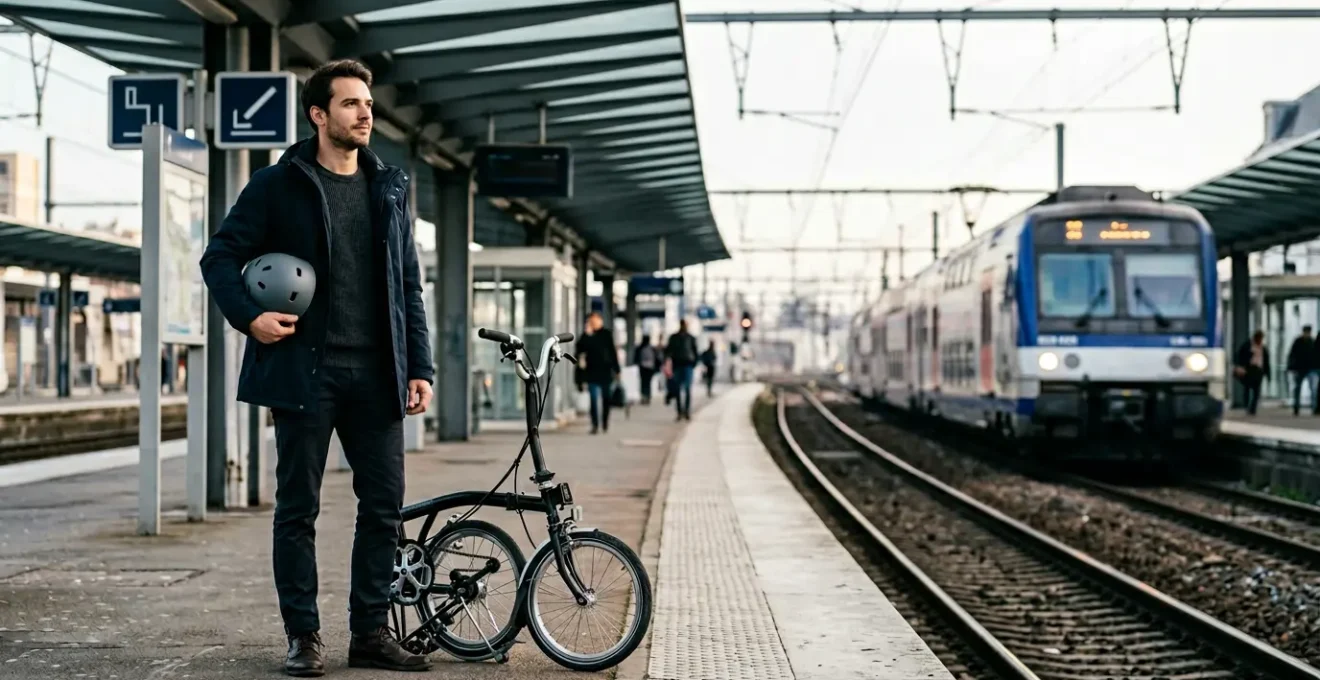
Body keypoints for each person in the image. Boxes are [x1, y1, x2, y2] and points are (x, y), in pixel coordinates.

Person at [198, 59, 433, 677]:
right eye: (351, 104)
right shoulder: (279, 184)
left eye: (368, 105)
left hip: (378, 372)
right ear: (318, 114)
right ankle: (303, 636)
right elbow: (220, 256)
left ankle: (371, 632)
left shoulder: (388, 186)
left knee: (384, 504)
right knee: (298, 507)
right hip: (306, 371)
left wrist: (420, 366)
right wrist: (250, 317)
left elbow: (407, 284)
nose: (365, 114)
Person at [576, 312, 620, 433]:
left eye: (595, 320)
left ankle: (605, 421)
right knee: (593, 399)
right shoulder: (587, 336)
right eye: (591, 321)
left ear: (600, 321)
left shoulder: (606, 334)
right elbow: (579, 349)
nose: (593, 323)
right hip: (591, 372)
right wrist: (587, 334)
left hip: (606, 372)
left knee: (607, 398)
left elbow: (612, 353)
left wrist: (617, 370)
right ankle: (595, 424)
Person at [665, 320, 699, 420]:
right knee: (678, 389)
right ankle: (680, 411)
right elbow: (668, 351)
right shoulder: (674, 337)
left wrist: (694, 363)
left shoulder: (690, 338)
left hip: (687, 365)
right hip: (677, 365)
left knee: (687, 388)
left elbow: (695, 351)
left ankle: (686, 411)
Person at [1234, 329, 1270, 416]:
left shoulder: (1263, 348)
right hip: (1249, 369)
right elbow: (1240, 356)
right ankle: (1246, 406)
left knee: (1256, 391)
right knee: (1247, 388)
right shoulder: (1248, 346)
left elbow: (1266, 362)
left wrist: (1268, 374)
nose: (1260, 340)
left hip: (1259, 370)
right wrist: (1240, 367)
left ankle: (1253, 409)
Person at [1287, 325, 1317, 415]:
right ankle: (1296, 407)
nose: (1307, 334)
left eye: (1308, 332)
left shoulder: (1312, 342)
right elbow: (1292, 354)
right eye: (1306, 332)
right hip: (1299, 368)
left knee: (1313, 388)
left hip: (1310, 368)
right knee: (1297, 388)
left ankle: (1314, 407)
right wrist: (1291, 366)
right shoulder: (1298, 341)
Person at [634, 335, 659, 404]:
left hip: (645, 367)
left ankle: (645, 396)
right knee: (647, 383)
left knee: (644, 383)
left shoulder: (641, 348)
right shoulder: (651, 348)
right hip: (648, 367)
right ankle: (646, 396)